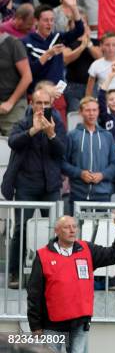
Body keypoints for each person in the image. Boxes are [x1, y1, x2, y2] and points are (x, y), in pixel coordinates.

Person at [26, 215, 115, 352]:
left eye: (74, 226)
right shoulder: (43, 256)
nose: (72, 230)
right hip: (51, 324)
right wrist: (35, 326)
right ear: (56, 231)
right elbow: (34, 293)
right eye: (67, 227)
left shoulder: (87, 249)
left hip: (80, 322)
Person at [2, 88, 66, 289]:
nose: (43, 107)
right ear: (32, 104)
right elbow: (13, 142)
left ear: (51, 104)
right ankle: (15, 272)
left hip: (50, 184)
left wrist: (51, 134)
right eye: (39, 103)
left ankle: (55, 273)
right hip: (26, 184)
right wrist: (33, 130)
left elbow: (62, 151)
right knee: (21, 229)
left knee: (57, 229)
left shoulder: (57, 123)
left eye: (47, 104)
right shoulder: (23, 122)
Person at [62, 97, 115, 212]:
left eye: (94, 110)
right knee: (77, 229)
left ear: (98, 111)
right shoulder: (72, 136)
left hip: (103, 194)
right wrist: (80, 173)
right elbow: (63, 163)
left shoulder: (107, 136)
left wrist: (102, 175)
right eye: (88, 110)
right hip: (78, 194)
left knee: (101, 230)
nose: (91, 113)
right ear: (80, 112)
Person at [22, 1, 84, 98]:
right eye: (46, 20)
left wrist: (73, 7)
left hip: (57, 95)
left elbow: (79, 30)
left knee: (56, 114)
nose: (49, 24)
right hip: (38, 95)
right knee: (43, 114)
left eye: (52, 20)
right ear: (36, 21)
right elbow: (30, 70)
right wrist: (48, 54)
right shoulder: (26, 42)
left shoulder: (58, 37)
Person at [0, 31, 32, 135]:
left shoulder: (13, 43)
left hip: (13, 105)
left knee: (12, 144)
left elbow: (27, 77)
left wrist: (10, 102)